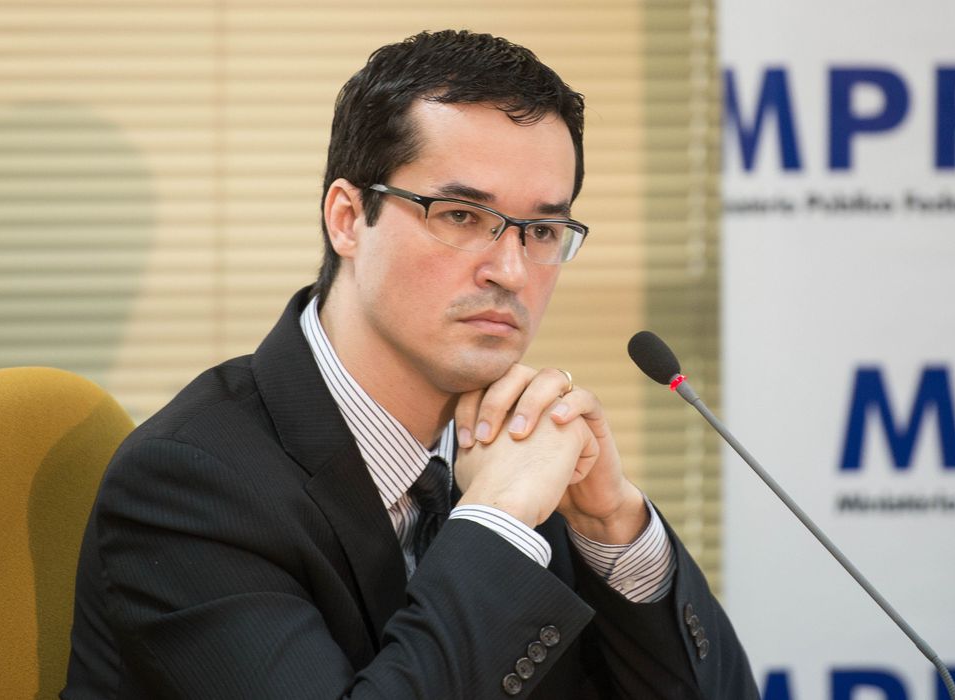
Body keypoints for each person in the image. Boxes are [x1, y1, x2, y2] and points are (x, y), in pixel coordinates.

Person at [63, 29, 758, 699]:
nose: (512, 271)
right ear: (347, 218)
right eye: (460, 215)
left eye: (543, 230)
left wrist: (614, 528)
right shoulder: (191, 483)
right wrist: (497, 520)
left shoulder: (519, 451)